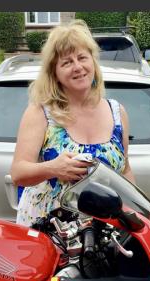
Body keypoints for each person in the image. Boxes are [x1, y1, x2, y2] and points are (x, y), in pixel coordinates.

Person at [11, 20, 135, 226]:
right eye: (67, 62)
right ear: (55, 74)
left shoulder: (117, 112)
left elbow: (125, 169)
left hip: (101, 235)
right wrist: (53, 168)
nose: (78, 67)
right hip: (48, 231)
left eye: (82, 58)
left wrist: (132, 214)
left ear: (93, 62)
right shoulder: (41, 112)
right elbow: (18, 173)